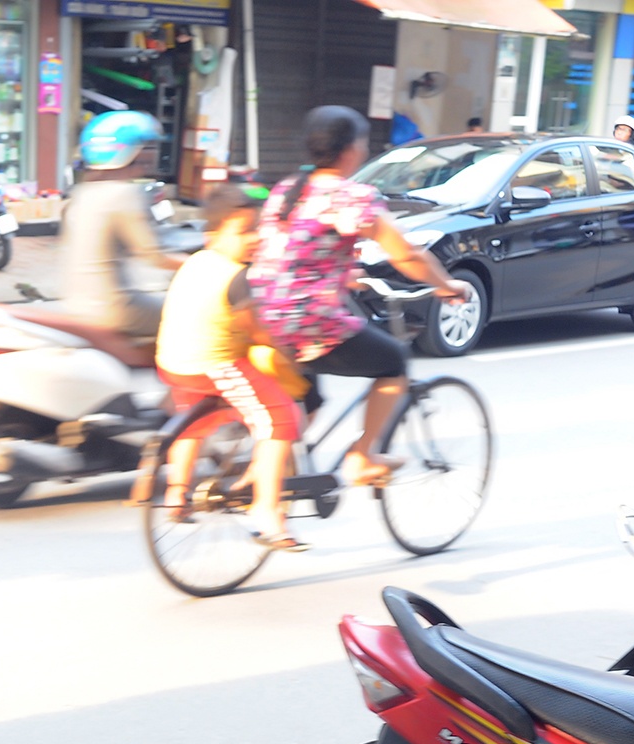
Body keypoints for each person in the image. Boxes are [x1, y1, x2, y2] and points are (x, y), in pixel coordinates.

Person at [249, 105, 470, 487]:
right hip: (305, 319)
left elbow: (296, 250)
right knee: (394, 360)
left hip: (260, 315)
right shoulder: (351, 197)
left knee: (307, 400)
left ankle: (271, 478)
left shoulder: (287, 190)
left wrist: (344, 273)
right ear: (351, 149)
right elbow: (406, 254)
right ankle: (363, 456)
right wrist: (447, 286)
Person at [153, 182, 310, 550]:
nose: (254, 238)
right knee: (281, 418)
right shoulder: (236, 277)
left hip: (172, 362)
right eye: (243, 231)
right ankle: (267, 512)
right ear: (213, 234)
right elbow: (259, 333)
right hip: (213, 365)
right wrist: (288, 351)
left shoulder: (196, 261)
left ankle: (177, 493)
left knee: (196, 420)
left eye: (257, 229)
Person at [61, 110, 185, 337]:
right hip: (114, 310)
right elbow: (153, 256)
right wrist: (197, 263)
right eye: (145, 147)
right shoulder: (123, 194)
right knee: (187, 317)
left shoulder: (81, 193)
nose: (151, 156)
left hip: (76, 306)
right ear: (131, 152)